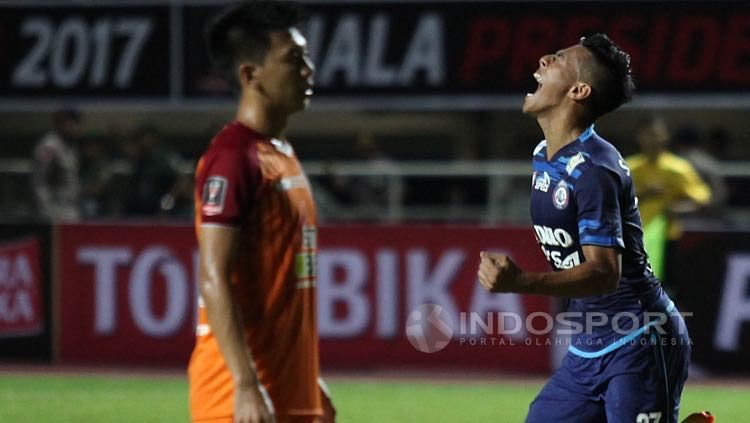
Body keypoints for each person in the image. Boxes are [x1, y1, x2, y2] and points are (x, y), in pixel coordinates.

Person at [477, 34, 693, 422]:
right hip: (590, 345)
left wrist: (520, 281)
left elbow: (604, 273)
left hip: (640, 340)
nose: (542, 59)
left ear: (579, 90)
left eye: (557, 58)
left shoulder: (594, 169)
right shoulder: (544, 156)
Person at [189, 2, 335, 423]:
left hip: (288, 394)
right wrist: (246, 384)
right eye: (294, 59)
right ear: (250, 75)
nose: (308, 69)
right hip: (236, 402)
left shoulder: (282, 156)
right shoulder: (233, 159)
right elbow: (213, 275)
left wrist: (310, 380)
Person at [31, 108, 84, 221]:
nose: (76, 128)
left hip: (71, 208)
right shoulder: (49, 146)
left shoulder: (70, 146)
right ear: (63, 123)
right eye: (73, 123)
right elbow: (39, 182)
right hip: (55, 211)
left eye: (77, 124)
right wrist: (47, 212)